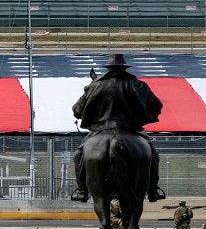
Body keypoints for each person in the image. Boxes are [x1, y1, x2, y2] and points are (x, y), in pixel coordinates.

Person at [69, 54, 165, 203]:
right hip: (131, 129)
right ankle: (153, 190)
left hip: (101, 129)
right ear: (124, 69)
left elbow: (76, 110)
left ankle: (81, 191)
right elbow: (157, 106)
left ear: (108, 69)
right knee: (153, 156)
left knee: (78, 156)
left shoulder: (95, 85)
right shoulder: (136, 84)